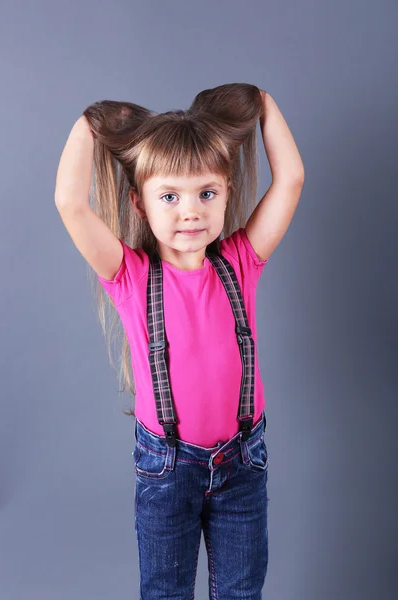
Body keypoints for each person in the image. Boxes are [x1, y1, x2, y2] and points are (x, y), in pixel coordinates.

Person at [54, 83, 304, 600]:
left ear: (228, 192)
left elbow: (292, 179)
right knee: (165, 592)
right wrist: (90, 122)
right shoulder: (129, 275)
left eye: (206, 193)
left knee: (242, 591)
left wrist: (262, 102)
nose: (190, 211)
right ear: (139, 204)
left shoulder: (240, 261)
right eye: (169, 196)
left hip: (242, 462)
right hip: (168, 467)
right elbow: (69, 203)